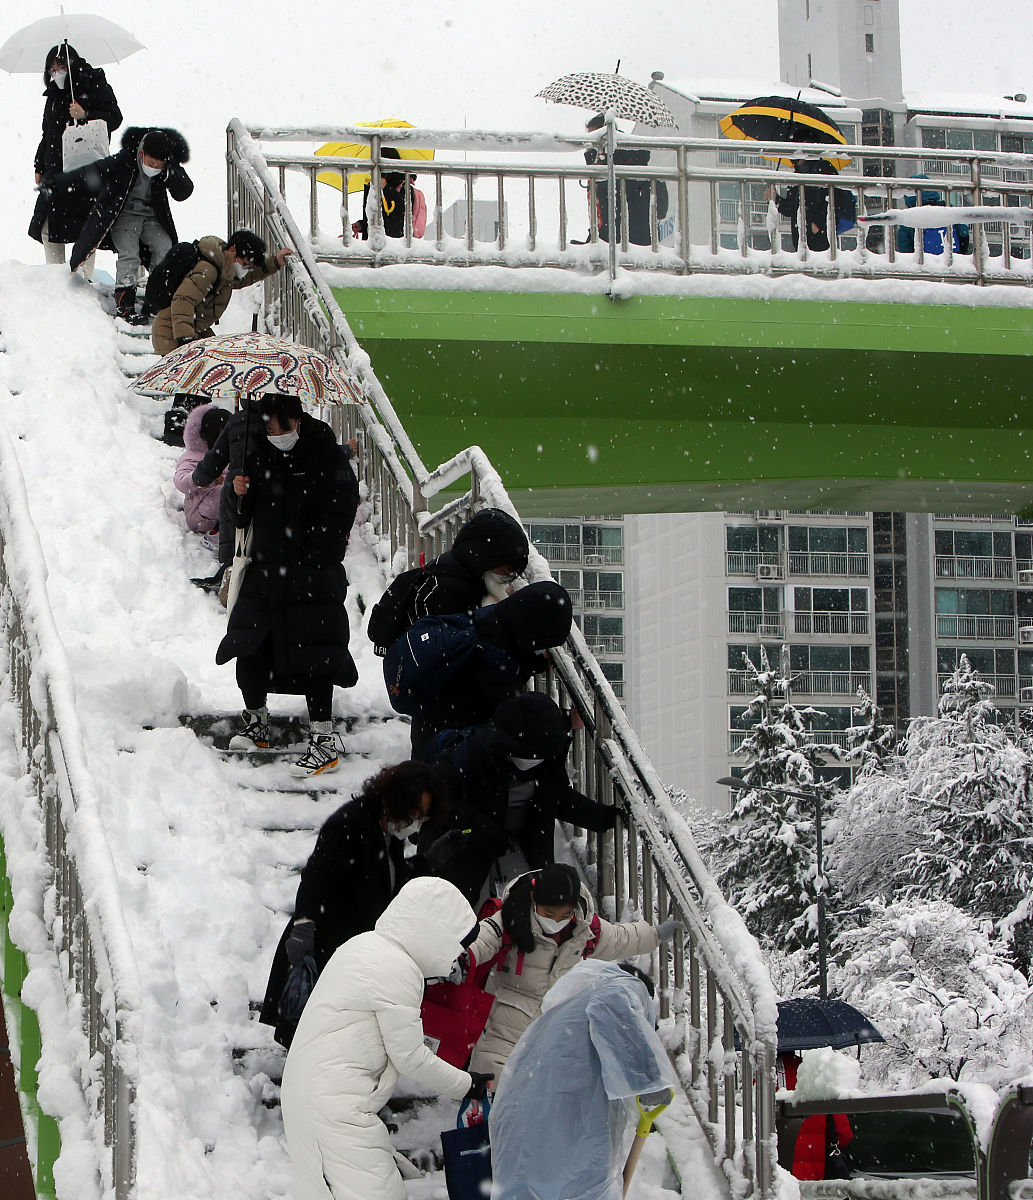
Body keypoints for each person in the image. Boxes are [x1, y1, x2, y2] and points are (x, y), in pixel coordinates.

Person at [280, 875, 492, 1200]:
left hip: (318, 1100)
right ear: (436, 932)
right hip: (334, 1111)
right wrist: (468, 1084)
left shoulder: (367, 946)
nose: (455, 958)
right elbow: (409, 1057)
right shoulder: (395, 968)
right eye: (457, 945)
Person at [260, 760, 457, 1046]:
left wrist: (430, 860)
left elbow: (391, 879)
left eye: (423, 817)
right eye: (415, 814)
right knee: (316, 1033)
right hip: (328, 942)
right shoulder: (351, 823)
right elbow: (316, 875)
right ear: (394, 799)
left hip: (354, 947)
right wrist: (304, 925)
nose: (416, 823)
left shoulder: (389, 834)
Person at [215, 392, 360, 776]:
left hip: (312, 572)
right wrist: (237, 492)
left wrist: (314, 555)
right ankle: (256, 721)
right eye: (268, 428)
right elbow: (238, 516)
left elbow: (342, 508)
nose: (275, 434)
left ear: (298, 421)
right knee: (249, 643)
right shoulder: (255, 451)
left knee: (315, 653)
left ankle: (323, 739)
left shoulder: (326, 453)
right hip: (265, 568)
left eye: (282, 428)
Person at [466, 863, 674, 1084]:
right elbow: (483, 939)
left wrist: (655, 935)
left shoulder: (584, 929)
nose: (556, 921)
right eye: (549, 913)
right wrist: (463, 958)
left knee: (557, 1085)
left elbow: (619, 939)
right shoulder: (511, 917)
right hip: (509, 1014)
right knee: (492, 1076)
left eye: (564, 914)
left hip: (560, 1017)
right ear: (534, 898)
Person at [490, 958, 676, 1200]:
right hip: (559, 1128)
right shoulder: (622, 987)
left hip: (526, 1125)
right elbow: (615, 1006)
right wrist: (648, 1078)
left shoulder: (571, 1009)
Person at [428, 692, 620, 901]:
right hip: (466, 847)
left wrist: (603, 817)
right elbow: (444, 806)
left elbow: (557, 798)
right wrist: (485, 832)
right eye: (529, 756)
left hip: (524, 844)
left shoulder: (545, 758)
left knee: (533, 902)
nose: (534, 762)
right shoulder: (467, 758)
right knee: (461, 905)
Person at [407, 579, 574, 756]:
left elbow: (506, 660)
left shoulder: (493, 618)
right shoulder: (494, 661)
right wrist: (567, 720)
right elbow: (517, 721)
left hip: (431, 730)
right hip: (448, 752)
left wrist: (536, 662)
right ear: (534, 630)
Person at [53, 126, 193, 321]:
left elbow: (185, 191)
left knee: (164, 248)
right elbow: (94, 171)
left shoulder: (168, 166)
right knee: (129, 253)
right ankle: (125, 307)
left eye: (158, 164)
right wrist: (58, 183)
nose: (153, 167)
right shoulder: (125, 160)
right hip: (125, 214)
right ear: (141, 153)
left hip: (152, 216)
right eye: (150, 162)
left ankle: (155, 302)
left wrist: (171, 175)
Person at [28, 44, 122, 271]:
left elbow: (115, 117)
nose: (56, 73)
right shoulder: (52, 95)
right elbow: (47, 133)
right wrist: (39, 164)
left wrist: (86, 114)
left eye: (60, 66)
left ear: (72, 64)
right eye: (51, 69)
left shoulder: (94, 82)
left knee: (87, 226)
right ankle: (55, 276)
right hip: (55, 171)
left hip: (86, 170)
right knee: (47, 225)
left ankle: (84, 280)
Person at [150, 231, 293, 355]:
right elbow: (183, 300)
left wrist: (275, 262)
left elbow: (245, 278)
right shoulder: (209, 270)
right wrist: (186, 340)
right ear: (232, 250)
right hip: (172, 334)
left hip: (193, 330)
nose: (245, 270)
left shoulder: (225, 270)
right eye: (245, 265)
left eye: (250, 268)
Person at [412, 507, 529, 620]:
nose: (505, 579)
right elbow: (434, 636)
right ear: (486, 558)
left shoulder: (467, 572)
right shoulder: (447, 588)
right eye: (503, 571)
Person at [579, 113, 667, 247]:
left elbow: (609, 212)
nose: (590, 142)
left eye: (593, 135)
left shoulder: (618, 162)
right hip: (632, 239)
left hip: (625, 240)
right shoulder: (609, 161)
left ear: (603, 133)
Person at [770, 159, 852, 253]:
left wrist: (818, 224)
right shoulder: (797, 174)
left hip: (820, 234)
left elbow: (836, 198)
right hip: (801, 236)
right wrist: (775, 198)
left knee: (823, 260)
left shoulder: (823, 168)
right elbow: (791, 208)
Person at [174, 404, 229, 540]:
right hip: (198, 513)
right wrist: (203, 478)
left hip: (221, 509)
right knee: (227, 492)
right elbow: (181, 481)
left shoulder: (230, 453)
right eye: (222, 435)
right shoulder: (194, 456)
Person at [353, 148, 425, 240]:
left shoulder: (404, 185)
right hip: (374, 244)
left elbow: (403, 209)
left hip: (396, 245)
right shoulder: (372, 186)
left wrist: (386, 188)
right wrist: (362, 226)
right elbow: (373, 217)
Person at [896, 175, 971, 257]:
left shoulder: (909, 218)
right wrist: (961, 253)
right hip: (952, 260)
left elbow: (905, 249)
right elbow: (963, 232)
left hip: (928, 264)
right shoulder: (947, 209)